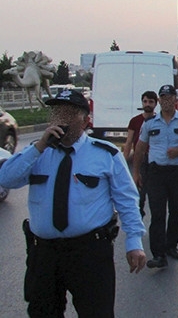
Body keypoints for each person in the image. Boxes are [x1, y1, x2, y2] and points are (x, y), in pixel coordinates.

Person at [0, 88, 146, 317]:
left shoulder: (105, 154)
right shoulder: (37, 153)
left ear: (86, 121)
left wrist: (134, 242)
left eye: (69, 114)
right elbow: (6, 179)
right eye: (56, 114)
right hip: (44, 254)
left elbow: (127, 200)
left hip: (89, 253)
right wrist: (39, 147)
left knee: (96, 312)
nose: (61, 120)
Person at [133, 85, 178, 268]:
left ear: (175, 100)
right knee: (157, 214)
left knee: (175, 212)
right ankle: (158, 255)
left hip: (177, 173)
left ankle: (172, 246)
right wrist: (136, 173)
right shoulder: (150, 123)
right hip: (156, 173)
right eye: (162, 98)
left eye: (169, 98)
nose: (166, 101)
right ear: (159, 101)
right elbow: (140, 149)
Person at [123, 90, 158, 217]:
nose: (147, 104)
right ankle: (137, 226)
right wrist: (123, 162)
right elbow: (128, 142)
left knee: (156, 197)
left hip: (155, 162)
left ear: (156, 103)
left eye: (150, 101)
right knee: (139, 196)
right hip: (141, 161)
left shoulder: (159, 121)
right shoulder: (135, 121)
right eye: (145, 101)